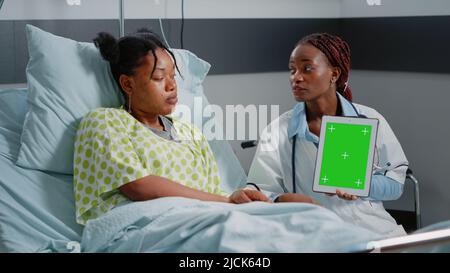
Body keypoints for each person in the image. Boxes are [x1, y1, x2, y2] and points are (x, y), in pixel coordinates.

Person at [73, 29, 269, 225]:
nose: (172, 86)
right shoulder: (106, 122)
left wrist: (237, 198)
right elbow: (138, 186)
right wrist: (227, 202)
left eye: (173, 76)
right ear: (128, 84)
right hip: (140, 226)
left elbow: (212, 192)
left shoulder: (191, 132)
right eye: (159, 78)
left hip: (205, 217)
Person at [247, 33, 409, 236]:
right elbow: (260, 189)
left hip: (373, 231)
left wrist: (361, 185)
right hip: (311, 235)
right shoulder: (278, 130)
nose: (296, 77)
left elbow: (395, 183)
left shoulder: (368, 119)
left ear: (334, 74)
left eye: (307, 68)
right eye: (292, 70)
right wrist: (281, 200)